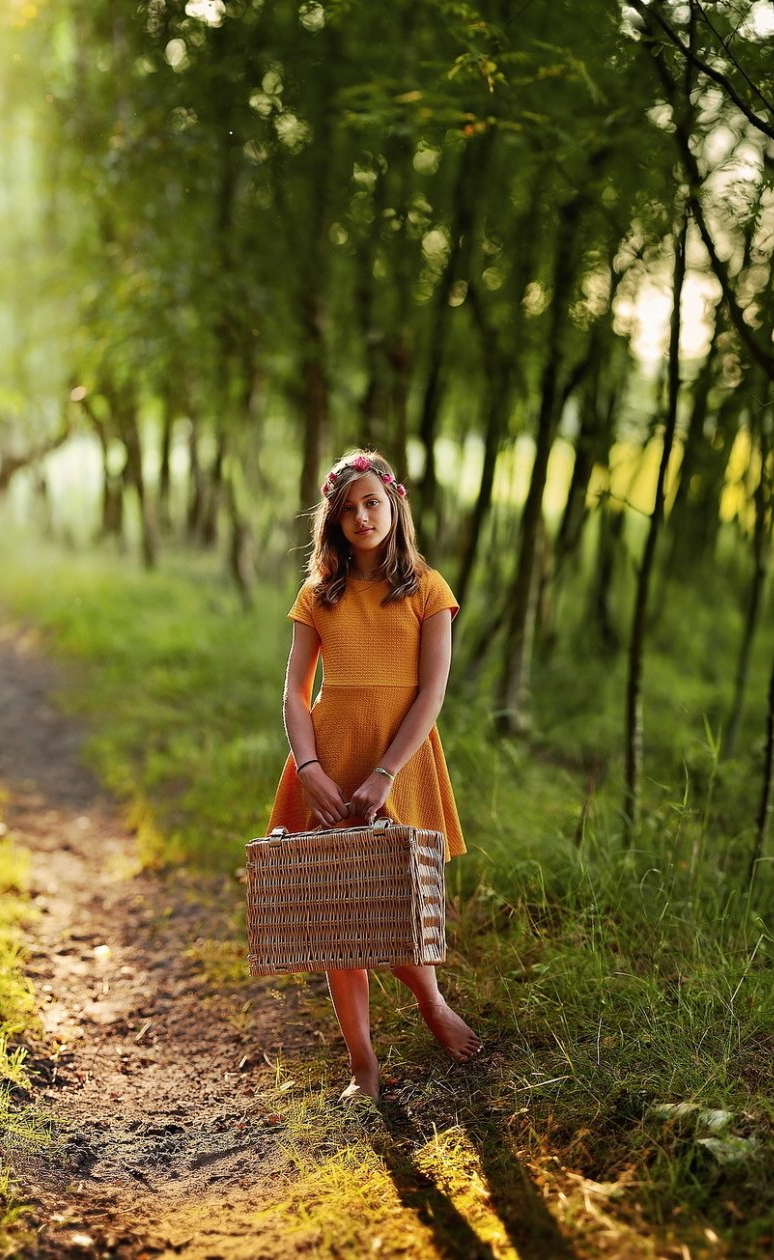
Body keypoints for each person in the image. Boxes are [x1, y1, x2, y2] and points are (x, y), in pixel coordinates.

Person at [266, 448, 482, 1103]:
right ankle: (364, 1066)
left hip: (401, 758)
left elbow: (431, 695)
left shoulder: (427, 589)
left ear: (395, 506)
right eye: (348, 508)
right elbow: (295, 695)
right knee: (338, 917)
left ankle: (432, 1002)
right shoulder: (318, 595)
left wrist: (388, 771)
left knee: (399, 908)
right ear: (331, 521)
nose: (362, 516)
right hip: (330, 757)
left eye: (372, 503)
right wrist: (308, 768)